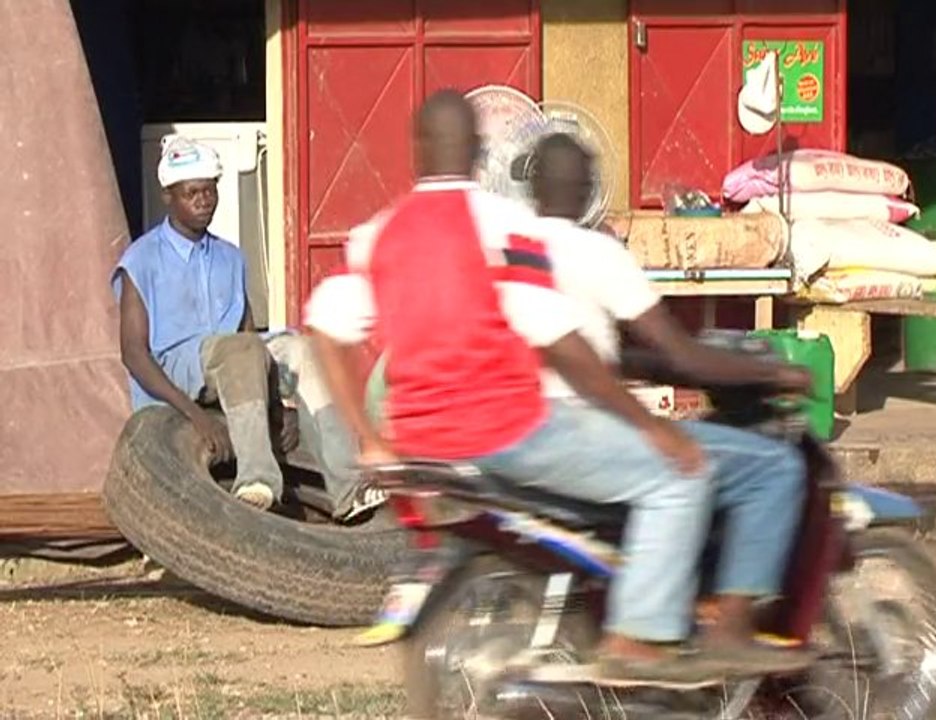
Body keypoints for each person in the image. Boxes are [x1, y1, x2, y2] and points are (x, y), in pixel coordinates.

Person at [307, 89, 783, 685]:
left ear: (415, 151)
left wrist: (369, 436)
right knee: (681, 474)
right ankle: (641, 642)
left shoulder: (378, 235)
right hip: (512, 434)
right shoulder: (506, 227)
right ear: (483, 152)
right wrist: (651, 427)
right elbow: (557, 339)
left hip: (424, 447)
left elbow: (324, 328)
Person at [526, 132, 811, 665]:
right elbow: (683, 355)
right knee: (772, 468)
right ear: (589, 190)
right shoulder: (597, 250)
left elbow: (588, 350)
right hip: (582, 428)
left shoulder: (510, 247)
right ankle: (730, 630)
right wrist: (772, 371)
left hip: (524, 426)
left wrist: (647, 367)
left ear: (531, 187)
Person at [111, 136, 384, 519]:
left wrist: (281, 406)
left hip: (234, 360)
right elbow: (133, 354)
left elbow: (249, 333)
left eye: (210, 190)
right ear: (169, 196)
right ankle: (257, 478)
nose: (204, 200)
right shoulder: (142, 259)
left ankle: (349, 485)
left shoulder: (230, 256)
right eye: (192, 193)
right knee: (239, 348)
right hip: (176, 366)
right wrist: (196, 415)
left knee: (304, 348)